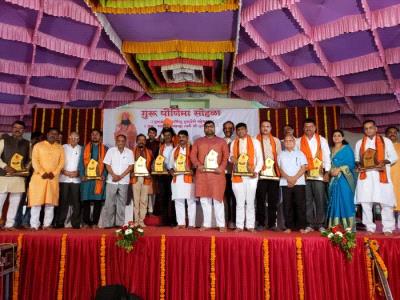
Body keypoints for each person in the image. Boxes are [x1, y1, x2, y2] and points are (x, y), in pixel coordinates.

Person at [355, 120, 397, 235]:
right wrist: (358, 166)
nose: (368, 130)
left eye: (371, 127)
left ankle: (388, 228)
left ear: (376, 128)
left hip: (381, 175)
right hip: (366, 176)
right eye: (366, 128)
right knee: (366, 202)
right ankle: (369, 227)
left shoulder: (385, 141)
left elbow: (394, 157)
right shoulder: (359, 143)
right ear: (364, 130)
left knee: (386, 202)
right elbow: (357, 160)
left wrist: (384, 162)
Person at [190, 120, 229, 232]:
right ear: (204, 129)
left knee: (218, 199)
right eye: (206, 127)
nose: (209, 128)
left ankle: (221, 224)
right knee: (204, 200)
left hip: (217, 175)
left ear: (214, 128)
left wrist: (221, 168)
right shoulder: (198, 141)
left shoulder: (221, 142)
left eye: (211, 126)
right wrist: (198, 165)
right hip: (202, 174)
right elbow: (193, 156)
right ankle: (206, 224)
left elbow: (226, 157)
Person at [296, 118, 331, 232]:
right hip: (304, 175)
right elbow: (296, 159)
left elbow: (326, 156)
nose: (308, 128)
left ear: (315, 128)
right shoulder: (298, 141)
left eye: (311, 126)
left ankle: (320, 224)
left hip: (319, 175)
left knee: (320, 199)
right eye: (306, 127)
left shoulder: (322, 140)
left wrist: (327, 172)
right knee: (307, 200)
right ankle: (310, 224)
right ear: (303, 128)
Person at [28, 128, 65, 230]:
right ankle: (34, 225)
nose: (53, 135)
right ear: (47, 134)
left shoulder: (60, 148)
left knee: (50, 203)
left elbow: (61, 162)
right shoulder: (38, 145)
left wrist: (54, 173)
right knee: (36, 202)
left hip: (53, 178)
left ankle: (47, 224)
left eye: (56, 134)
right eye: (51, 133)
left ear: (58, 136)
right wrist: (42, 172)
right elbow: (35, 160)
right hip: (39, 178)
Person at [230, 123, 263, 232]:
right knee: (239, 202)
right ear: (236, 131)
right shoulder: (234, 142)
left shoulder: (255, 142)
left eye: (242, 129)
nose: (240, 132)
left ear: (247, 130)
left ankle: (250, 226)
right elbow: (230, 157)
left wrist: (256, 171)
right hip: (238, 176)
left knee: (250, 202)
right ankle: (239, 226)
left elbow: (260, 159)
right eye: (238, 130)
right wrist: (231, 159)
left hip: (251, 176)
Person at [0, 121, 30, 230]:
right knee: (0, 201)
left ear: (24, 130)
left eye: (20, 128)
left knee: (15, 202)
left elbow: (29, 160)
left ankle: (9, 224)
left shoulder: (27, 143)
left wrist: (26, 168)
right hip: (4, 175)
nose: (17, 130)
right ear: (12, 128)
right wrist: (4, 166)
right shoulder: (4, 141)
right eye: (15, 127)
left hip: (18, 177)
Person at [101, 135, 134, 228]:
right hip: (111, 181)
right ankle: (108, 224)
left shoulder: (129, 152)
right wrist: (113, 175)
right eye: (119, 141)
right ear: (116, 141)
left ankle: (119, 223)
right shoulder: (111, 151)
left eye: (122, 141)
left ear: (125, 142)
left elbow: (130, 166)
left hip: (124, 181)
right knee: (109, 203)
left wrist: (120, 176)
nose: (120, 142)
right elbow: (107, 164)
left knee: (121, 203)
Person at [278, 135, 308, 233]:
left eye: (290, 141)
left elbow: (303, 168)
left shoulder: (300, 153)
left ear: (294, 142)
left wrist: (294, 179)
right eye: (286, 141)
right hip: (285, 182)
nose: (288, 143)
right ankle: (288, 227)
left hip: (299, 182)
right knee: (287, 205)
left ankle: (301, 227)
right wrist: (288, 179)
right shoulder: (280, 154)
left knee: (300, 204)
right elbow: (280, 169)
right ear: (284, 143)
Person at [327, 130, 356, 230]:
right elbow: (328, 164)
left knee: (345, 199)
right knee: (334, 200)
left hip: (345, 179)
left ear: (343, 138)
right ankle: (335, 226)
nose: (336, 137)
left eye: (339, 136)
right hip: (334, 179)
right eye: (334, 136)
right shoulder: (330, 150)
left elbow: (351, 164)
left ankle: (348, 226)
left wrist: (339, 169)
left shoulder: (347, 149)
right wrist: (331, 171)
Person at [255, 121, 282, 231]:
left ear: (271, 128)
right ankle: (260, 223)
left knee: (273, 200)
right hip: (260, 174)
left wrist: (280, 172)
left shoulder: (276, 141)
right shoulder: (255, 140)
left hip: (273, 174)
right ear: (260, 128)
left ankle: (272, 224)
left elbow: (279, 157)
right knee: (260, 199)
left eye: (267, 126)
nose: (265, 128)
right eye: (263, 126)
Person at [79, 129, 107, 228]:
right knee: (85, 200)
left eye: (97, 134)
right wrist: (82, 175)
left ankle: (95, 223)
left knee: (97, 201)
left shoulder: (105, 149)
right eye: (93, 134)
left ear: (100, 137)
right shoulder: (84, 148)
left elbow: (107, 164)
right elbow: (81, 163)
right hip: (86, 179)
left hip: (98, 180)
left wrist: (104, 174)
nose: (95, 136)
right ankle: (86, 222)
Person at [169, 130, 196, 229]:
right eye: (179, 137)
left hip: (189, 178)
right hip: (177, 178)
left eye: (183, 137)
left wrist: (193, 170)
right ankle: (181, 223)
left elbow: (196, 163)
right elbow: (170, 165)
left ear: (187, 138)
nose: (181, 139)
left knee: (190, 201)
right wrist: (171, 171)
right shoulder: (175, 150)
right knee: (178, 201)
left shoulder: (193, 149)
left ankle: (192, 224)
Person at [55, 132, 82, 229]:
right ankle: (60, 222)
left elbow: (83, 163)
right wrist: (63, 171)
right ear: (68, 138)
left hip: (76, 179)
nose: (74, 139)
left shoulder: (81, 149)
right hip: (63, 178)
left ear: (79, 139)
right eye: (72, 137)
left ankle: (76, 223)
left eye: (76, 138)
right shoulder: (63, 147)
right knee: (63, 201)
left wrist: (78, 173)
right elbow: (57, 161)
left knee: (76, 202)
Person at [131, 134, 153, 227]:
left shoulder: (149, 152)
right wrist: (131, 172)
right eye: (139, 140)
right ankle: (136, 221)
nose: (141, 141)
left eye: (143, 140)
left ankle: (141, 221)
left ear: (145, 141)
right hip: (135, 178)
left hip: (146, 179)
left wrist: (150, 174)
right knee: (136, 200)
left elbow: (153, 165)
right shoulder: (131, 152)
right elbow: (129, 164)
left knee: (144, 200)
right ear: (136, 141)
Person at [155, 128, 175, 225]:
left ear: (172, 137)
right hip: (162, 175)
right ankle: (164, 220)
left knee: (172, 197)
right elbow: (159, 160)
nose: (167, 137)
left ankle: (173, 220)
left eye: (169, 135)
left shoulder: (176, 146)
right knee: (163, 197)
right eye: (165, 135)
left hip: (172, 174)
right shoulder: (161, 147)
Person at [386, 126, 400, 228]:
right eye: (390, 132)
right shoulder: (383, 148)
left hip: (399, 179)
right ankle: (389, 227)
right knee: (388, 204)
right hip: (387, 179)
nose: (392, 134)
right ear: (386, 135)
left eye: (395, 132)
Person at [223, 121, 236, 229]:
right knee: (225, 198)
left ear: (234, 129)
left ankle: (233, 220)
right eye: (226, 128)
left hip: (235, 173)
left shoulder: (237, 141)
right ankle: (225, 220)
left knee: (234, 198)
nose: (228, 130)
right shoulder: (219, 141)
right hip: (223, 174)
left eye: (230, 128)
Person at [146, 127, 160, 214]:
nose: (151, 134)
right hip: (145, 169)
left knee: (154, 190)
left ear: (156, 134)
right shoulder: (144, 142)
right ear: (148, 134)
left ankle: (153, 209)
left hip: (155, 170)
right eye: (150, 132)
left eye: (153, 133)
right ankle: (148, 209)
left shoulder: (158, 144)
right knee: (147, 190)